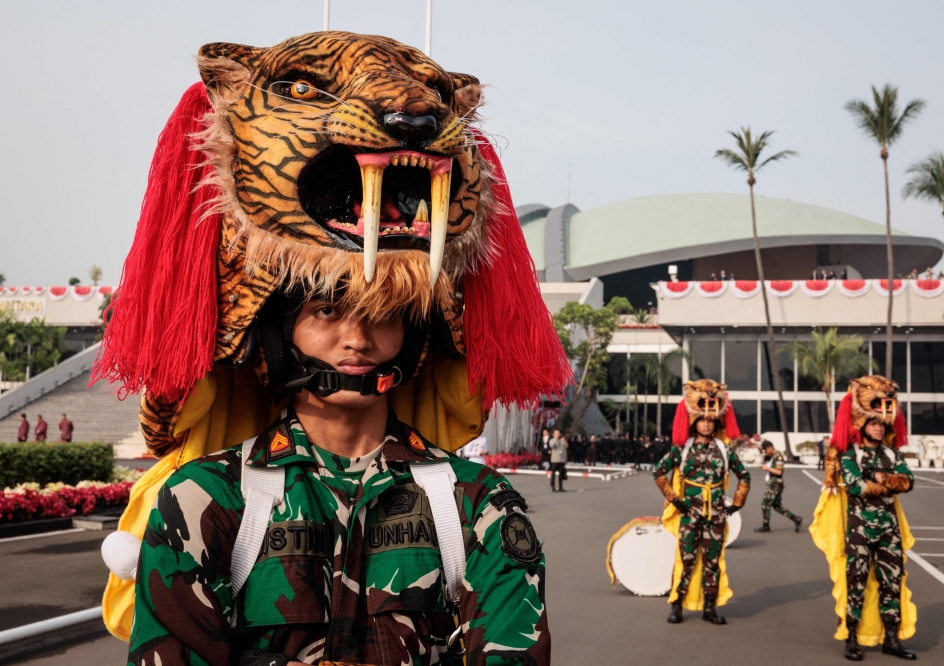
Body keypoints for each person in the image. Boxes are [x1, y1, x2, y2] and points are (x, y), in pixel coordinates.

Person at [93, 31, 571, 665]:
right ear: (275, 332)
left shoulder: (478, 505)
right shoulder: (204, 500)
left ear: (416, 335)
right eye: (326, 311)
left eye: (385, 314)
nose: (357, 337)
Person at [811, 375, 917, 661]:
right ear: (862, 424)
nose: (879, 428)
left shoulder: (891, 454)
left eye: (882, 424)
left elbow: (909, 482)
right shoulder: (850, 455)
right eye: (874, 423)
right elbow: (857, 487)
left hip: (888, 530)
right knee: (855, 583)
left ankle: (891, 639)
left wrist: (877, 477)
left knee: (891, 583)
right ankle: (852, 639)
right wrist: (886, 482)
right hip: (859, 530)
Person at [653, 379, 750, 626]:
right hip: (690, 514)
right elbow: (658, 472)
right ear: (694, 422)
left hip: (716, 515)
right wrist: (675, 500)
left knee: (712, 563)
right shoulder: (682, 449)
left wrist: (737, 503)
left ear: (716, 422)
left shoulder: (724, 450)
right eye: (702, 420)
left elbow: (745, 476)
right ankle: (676, 606)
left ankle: (710, 607)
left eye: (710, 421)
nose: (706, 424)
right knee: (685, 560)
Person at [754, 440, 802, 533]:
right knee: (777, 506)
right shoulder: (774, 457)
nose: (765, 453)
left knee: (765, 504)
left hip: (775, 484)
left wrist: (766, 468)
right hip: (775, 483)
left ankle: (765, 526)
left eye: (765, 451)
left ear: (770, 447)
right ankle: (796, 519)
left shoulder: (778, 457)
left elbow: (779, 472)